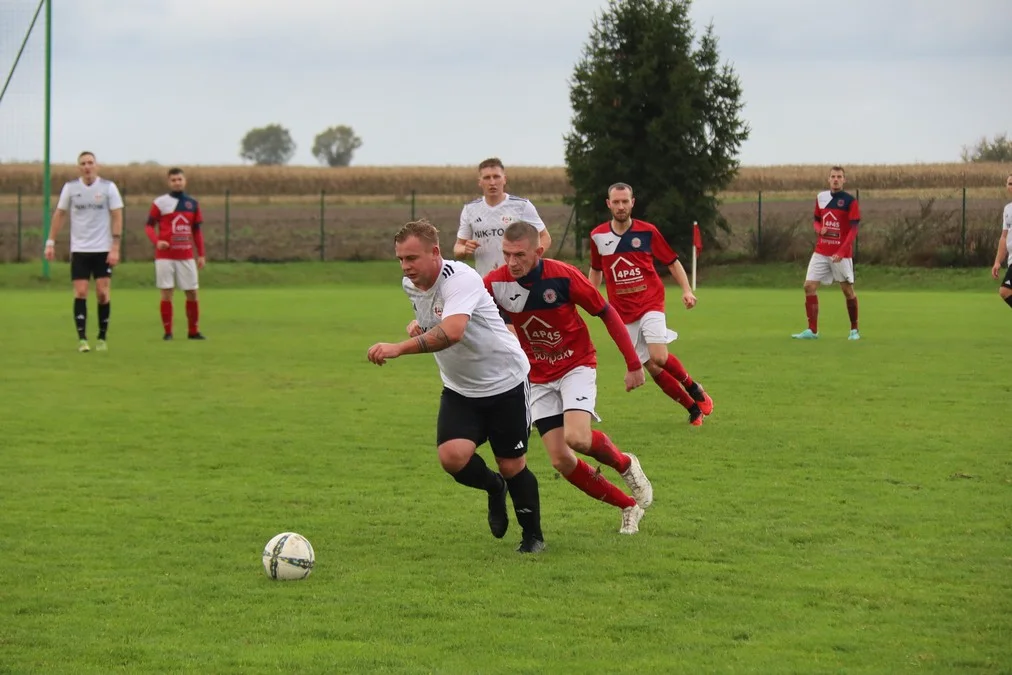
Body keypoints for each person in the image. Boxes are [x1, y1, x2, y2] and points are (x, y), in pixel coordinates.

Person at [367, 219, 546, 554]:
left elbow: (452, 331)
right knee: (452, 457)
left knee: (512, 465)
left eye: (412, 259)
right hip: (461, 389)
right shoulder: (412, 285)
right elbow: (436, 317)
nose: (406, 267)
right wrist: (421, 325)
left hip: (505, 382)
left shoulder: (461, 277)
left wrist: (399, 348)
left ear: (435, 253)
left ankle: (532, 536)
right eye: (401, 260)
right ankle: (494, 488)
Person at [485, 221, 653, 534]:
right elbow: (461, 308)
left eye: (519, 255)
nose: (511, 262)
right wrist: (423, 325)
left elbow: (605, 311)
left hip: (576, 364)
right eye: (506, 254)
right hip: (536, 376)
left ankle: (625, 463)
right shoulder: (495, 283)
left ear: (538, 250)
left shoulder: (563, 275)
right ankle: (628, 506)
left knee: (577, 437)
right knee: (562, 460)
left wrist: (633, 363)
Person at [588, 183, 714, 426]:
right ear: (608, 204)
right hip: (622, 313)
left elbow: (672, 262)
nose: (621, 206)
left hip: (650, 303)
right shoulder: (598, 236)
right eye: (616, 202)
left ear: (633, 202)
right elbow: (595, 271)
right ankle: (692, 408)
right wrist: (591, 299)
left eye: (625, 201)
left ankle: (694, 388)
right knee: (653, 369)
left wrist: (687, 290)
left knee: (659, 356)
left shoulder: (647, 232)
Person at [454, 158, 552, 334]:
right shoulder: (470, 210)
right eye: (487, 177)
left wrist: (531, 261)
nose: (492, 182)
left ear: (504, 179)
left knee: (517, 337)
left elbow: (544, 237)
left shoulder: (521, 206)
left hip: (517, 283)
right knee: (490, 342)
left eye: (496, 177)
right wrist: (464, 249)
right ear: (480, 182)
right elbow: (458, 248)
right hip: (486, 287)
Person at [44, 151, 124, 353]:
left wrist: (115, 247)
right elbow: (60, 214)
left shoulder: (108, 187)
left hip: (102, 249)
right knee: (80, 292)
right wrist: (50, 242)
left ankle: (102, 337)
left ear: (96, 165)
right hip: (80, 249)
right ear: (78, 167)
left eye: (90, 162)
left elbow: (117, 215)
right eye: (83, 163)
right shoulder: (71, 188)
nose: (87, 166)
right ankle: (82, 339)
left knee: (102, 294)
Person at [792, 166, 862, 340]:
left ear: (844, 180)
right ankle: (812, 331)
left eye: (839, 176)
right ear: (828, 179)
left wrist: (841, 251)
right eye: (833, 176)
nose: (836, 179)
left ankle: (854, 330)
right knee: (809, 286)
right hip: (821, 251)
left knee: (847, 291)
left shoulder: (850, 201)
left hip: (841, 255)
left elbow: (853, 231)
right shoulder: (821, 198)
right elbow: (816, 220)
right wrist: (819, 229)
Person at [145, 167, 207, 340]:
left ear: (184, 181)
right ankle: (168, 332)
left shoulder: (193, 204)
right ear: (169, 182)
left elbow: (197, 231)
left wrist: (201, 254)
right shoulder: (160, 202)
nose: (177, 182)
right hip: (165, 257)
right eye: (173, 180)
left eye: (179, 179)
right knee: (167, 292)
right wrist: (157, 241)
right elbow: (149, 226)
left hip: (186, 256)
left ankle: (193, 331)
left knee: (193, 292)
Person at [990, 173, 1012, 306]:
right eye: (1010, 183)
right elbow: (1004, 237)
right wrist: (998, 261)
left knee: (1005, 291)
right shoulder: (1008, 209)